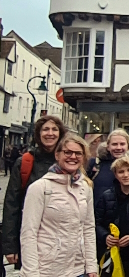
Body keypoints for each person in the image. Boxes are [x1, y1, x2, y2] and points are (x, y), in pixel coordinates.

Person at [20, 134, 97, 277]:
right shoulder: (40, 188)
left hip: (78, 269)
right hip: (47, 270)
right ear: (57, 154)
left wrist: (91, 266)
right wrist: (31, 273)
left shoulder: (85, 187)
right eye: (67, 152)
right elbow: (28, 234)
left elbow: (88, 228)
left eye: (78, 153)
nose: (72, 157)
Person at [3, 115, 66, 269]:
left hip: (61, 239)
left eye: (54, 129)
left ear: (60, 134)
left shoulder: (68, 162)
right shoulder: (24, 162)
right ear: (38, 134)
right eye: (45, 129)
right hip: (31, 237)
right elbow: (12, 205)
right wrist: (10, 245)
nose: (50, 133)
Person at [87, 129, 129, 204]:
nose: (118, 148)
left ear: (128, 147)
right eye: (114, 144)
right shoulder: (95, 164)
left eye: (122, 144)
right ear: (108, 147)